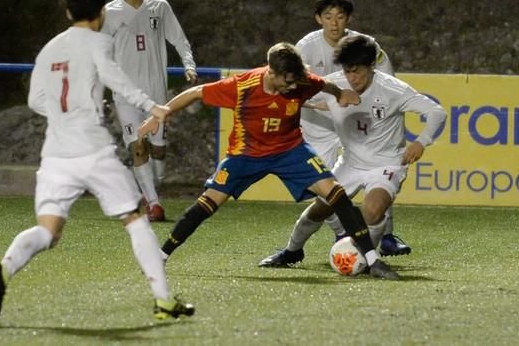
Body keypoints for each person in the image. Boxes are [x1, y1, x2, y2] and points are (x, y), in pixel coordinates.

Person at [0, 0, 194, 322]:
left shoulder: (49, 48)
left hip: (56, 155)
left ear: (67, 11)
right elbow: (116, 79)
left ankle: (2, 271)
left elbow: (36, 99)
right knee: (136, 219)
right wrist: (151, 104)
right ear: (102, 12)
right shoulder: (99, 43)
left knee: (47, 231)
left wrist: (66, 113)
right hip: (92, 150)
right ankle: (164, 301)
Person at [140, 42, 400, 280]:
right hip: (246, 155)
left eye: (295, 82)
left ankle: (372, 260)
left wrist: (340, 92)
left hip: (291, 151)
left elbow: (321, 85)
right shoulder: (242, 87)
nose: (292, 88)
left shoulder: (300, 81)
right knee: (207, 204)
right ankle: (161, 256)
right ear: (271, 73)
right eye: (286, 83)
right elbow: (197, 92)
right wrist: (163, 111)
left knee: (337, 195)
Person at [259, 34, 446, 268]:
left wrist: (421, 142)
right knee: (320, 209)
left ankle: (364, 258)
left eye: (357, 71)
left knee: (373, 209)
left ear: (371, 66)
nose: (352, 77)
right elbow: (296, 91)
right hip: (349, 163)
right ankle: (292, 251)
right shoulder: (334, 83)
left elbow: (437, 112)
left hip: (385, 165)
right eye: (347, 71)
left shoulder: (393, 89)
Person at [295, 0, 411, 257]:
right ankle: (342, 232)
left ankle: (387, 237)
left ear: (349, 17)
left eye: (340, 16)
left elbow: (389, 83)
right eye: (328, 16)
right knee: (324, 186)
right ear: (318, 18)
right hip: (319, 123)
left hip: (359, 120)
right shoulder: (306, 48)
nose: (334, 23)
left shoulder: (365, 46)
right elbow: (296, 85)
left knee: (379, 168)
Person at [102, 0, 198, 222]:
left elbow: (179, 39)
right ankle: (154, 204)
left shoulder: (159, 6)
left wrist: (189, 65)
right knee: (137, 146)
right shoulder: (109, 12)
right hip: (125, 94)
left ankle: (151, 187)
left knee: (158, 149)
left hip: (155, 93)